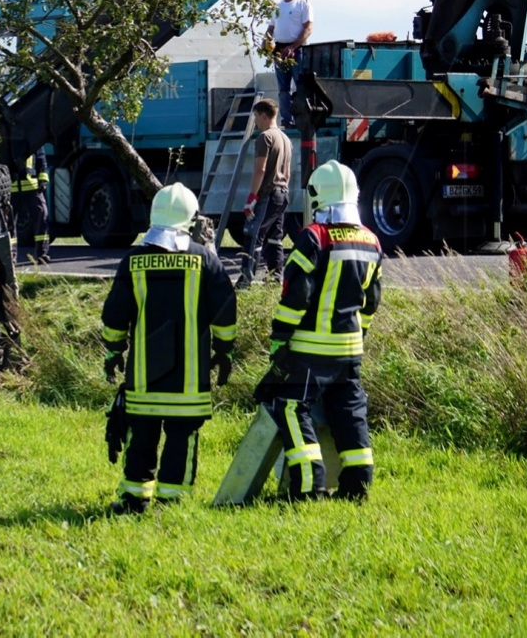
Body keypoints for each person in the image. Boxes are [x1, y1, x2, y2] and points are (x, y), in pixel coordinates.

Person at [100, 183, 237, 514]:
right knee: (182, 440)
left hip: (145, 381)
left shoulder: (133, 261)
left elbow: (115, 316)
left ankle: (134, 498)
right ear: (190, 221)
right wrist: (224, 349)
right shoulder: (205, 260)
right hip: (188, 383)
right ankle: (172, 503)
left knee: (141, 439)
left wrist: (113, 352)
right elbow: (225, 311)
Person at [255, 160, 383, 501]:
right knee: (350, 411)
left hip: (311, 351)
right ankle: (358, 485)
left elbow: (296, 296)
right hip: (350, 351)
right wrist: (359, 337)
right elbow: (371, 303)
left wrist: (280, 339)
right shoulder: (371, 241)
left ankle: (309, 486)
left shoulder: (315, 237)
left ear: (317, 197)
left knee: (290, 406)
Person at [238, 99, 292, 288]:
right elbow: (287, 173)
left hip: (268, 193)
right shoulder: (285, 138)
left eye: (256, 117)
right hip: (283, 192)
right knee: (274, 237)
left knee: (254, 234)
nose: (256, 122)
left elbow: (260, 170)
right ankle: (275, 278)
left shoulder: (265, 137)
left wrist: (252, 197)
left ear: (263, 115)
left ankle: (245, 280)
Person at [265, 0, 313, 127]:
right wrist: (265, 41)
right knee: (283, 89)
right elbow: (271, 28)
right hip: (279, 49)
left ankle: (302, 119)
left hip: (297, 49)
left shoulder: (302, 4)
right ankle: (287, 120)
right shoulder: (277, 6)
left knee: (300, 86)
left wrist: (293, 46)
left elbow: (308, 29)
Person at [10, 147, 51, 263]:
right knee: (8, 223)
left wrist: (42, 180)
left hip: (32, 186)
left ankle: (42, 254)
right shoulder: (5, 135)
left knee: (42, 215)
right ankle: (11, 257)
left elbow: (41, 158)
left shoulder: (33, 137)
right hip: (11, 188)